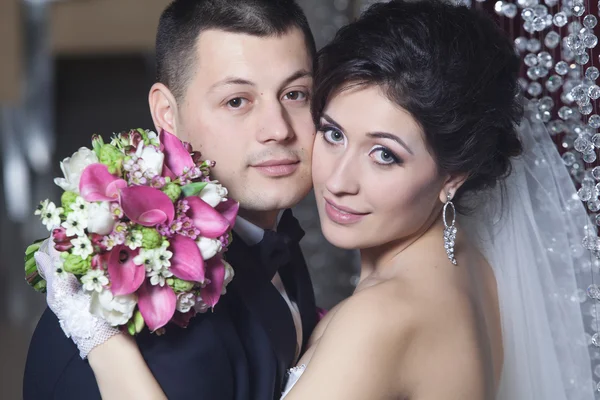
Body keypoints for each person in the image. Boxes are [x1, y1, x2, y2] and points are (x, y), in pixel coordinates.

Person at [30, 0, 598, 399]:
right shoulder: (471, 266)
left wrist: (100, 339)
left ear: (454, 175)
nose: (338, 180)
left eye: (385, 156)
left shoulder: (380, 319)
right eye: (332, 133)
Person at [23, 1, 319, 399]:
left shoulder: (268, 229)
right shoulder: (167, 327)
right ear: (166, 113)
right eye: (237, 101)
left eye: (295, 94)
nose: (278, 129)